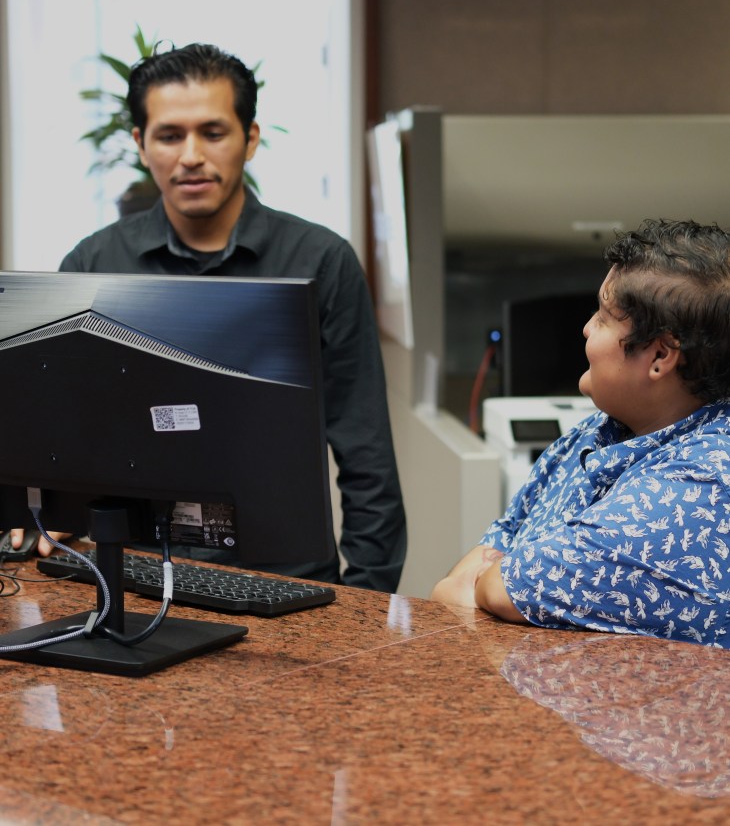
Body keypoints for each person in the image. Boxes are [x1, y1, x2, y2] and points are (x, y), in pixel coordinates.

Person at [7, 42, 406, 592]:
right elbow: (63, 435)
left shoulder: (320, 261)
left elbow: (366, 451)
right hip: (133, 575)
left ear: (251, 139)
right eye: (170, 135)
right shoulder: (94, 264)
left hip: (284, 581)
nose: (191, 155)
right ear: (141, 145)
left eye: (213, 133)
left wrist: (367, 601)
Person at [432, 219, 730, 647]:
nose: (586, 329)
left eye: (604, 317)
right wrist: (478, 585)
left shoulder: (708, 478)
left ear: (660, 355)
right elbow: (472, 567)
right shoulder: (596, 431)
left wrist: (483, 585)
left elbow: (499, 589)